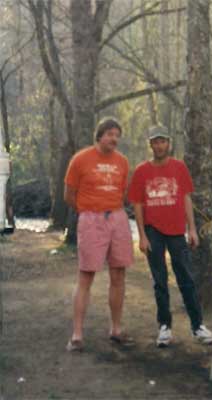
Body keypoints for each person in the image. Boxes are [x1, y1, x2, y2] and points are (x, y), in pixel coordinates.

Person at [128, 125, 212, 347]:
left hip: (177, 231)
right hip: (152, 230)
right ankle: (164, 327)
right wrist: (142, 236)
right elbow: (137, 204)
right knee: (160, 281)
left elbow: (186, 199)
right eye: (155, 142)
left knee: (186, 278)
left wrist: (192, 229)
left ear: (169, 143)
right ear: (151, 145)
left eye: (162, 141)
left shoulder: (179, 168)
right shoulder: (141, 171)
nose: (159, 146)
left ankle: (198, 326)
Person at [64, 117, 134, 351]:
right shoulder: (80, 159)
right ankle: (77, 335)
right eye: (110, 134)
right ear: (99, 135)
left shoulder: (122, 162)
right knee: (86, 276)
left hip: (117, 217)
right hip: (91, 218)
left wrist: (112, 212)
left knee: (118, 275)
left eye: (117, 135)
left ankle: (115, 328)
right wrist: (87, 212)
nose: (114, 139)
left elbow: (123, 192)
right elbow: (69, 194)